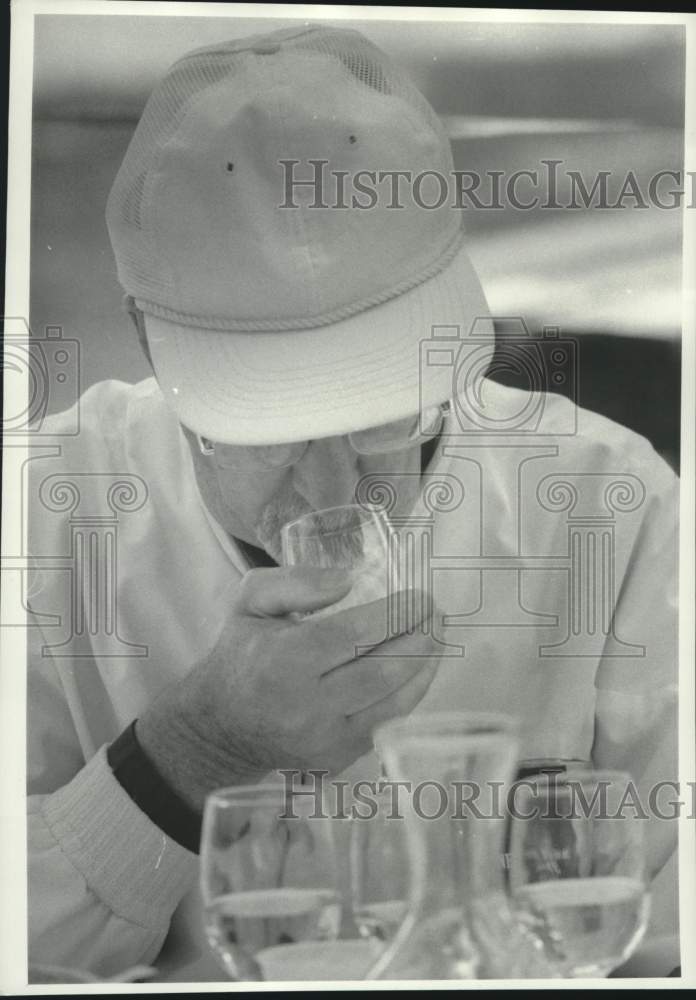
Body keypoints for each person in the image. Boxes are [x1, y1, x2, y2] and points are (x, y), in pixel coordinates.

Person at [26, 25, 678, 979]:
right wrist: (186, 753)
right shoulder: (45, 512)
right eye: (267, 425)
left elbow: (676, 935)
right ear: (151, 343)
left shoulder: (613, 509)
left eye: (383, 416)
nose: (335, 491)